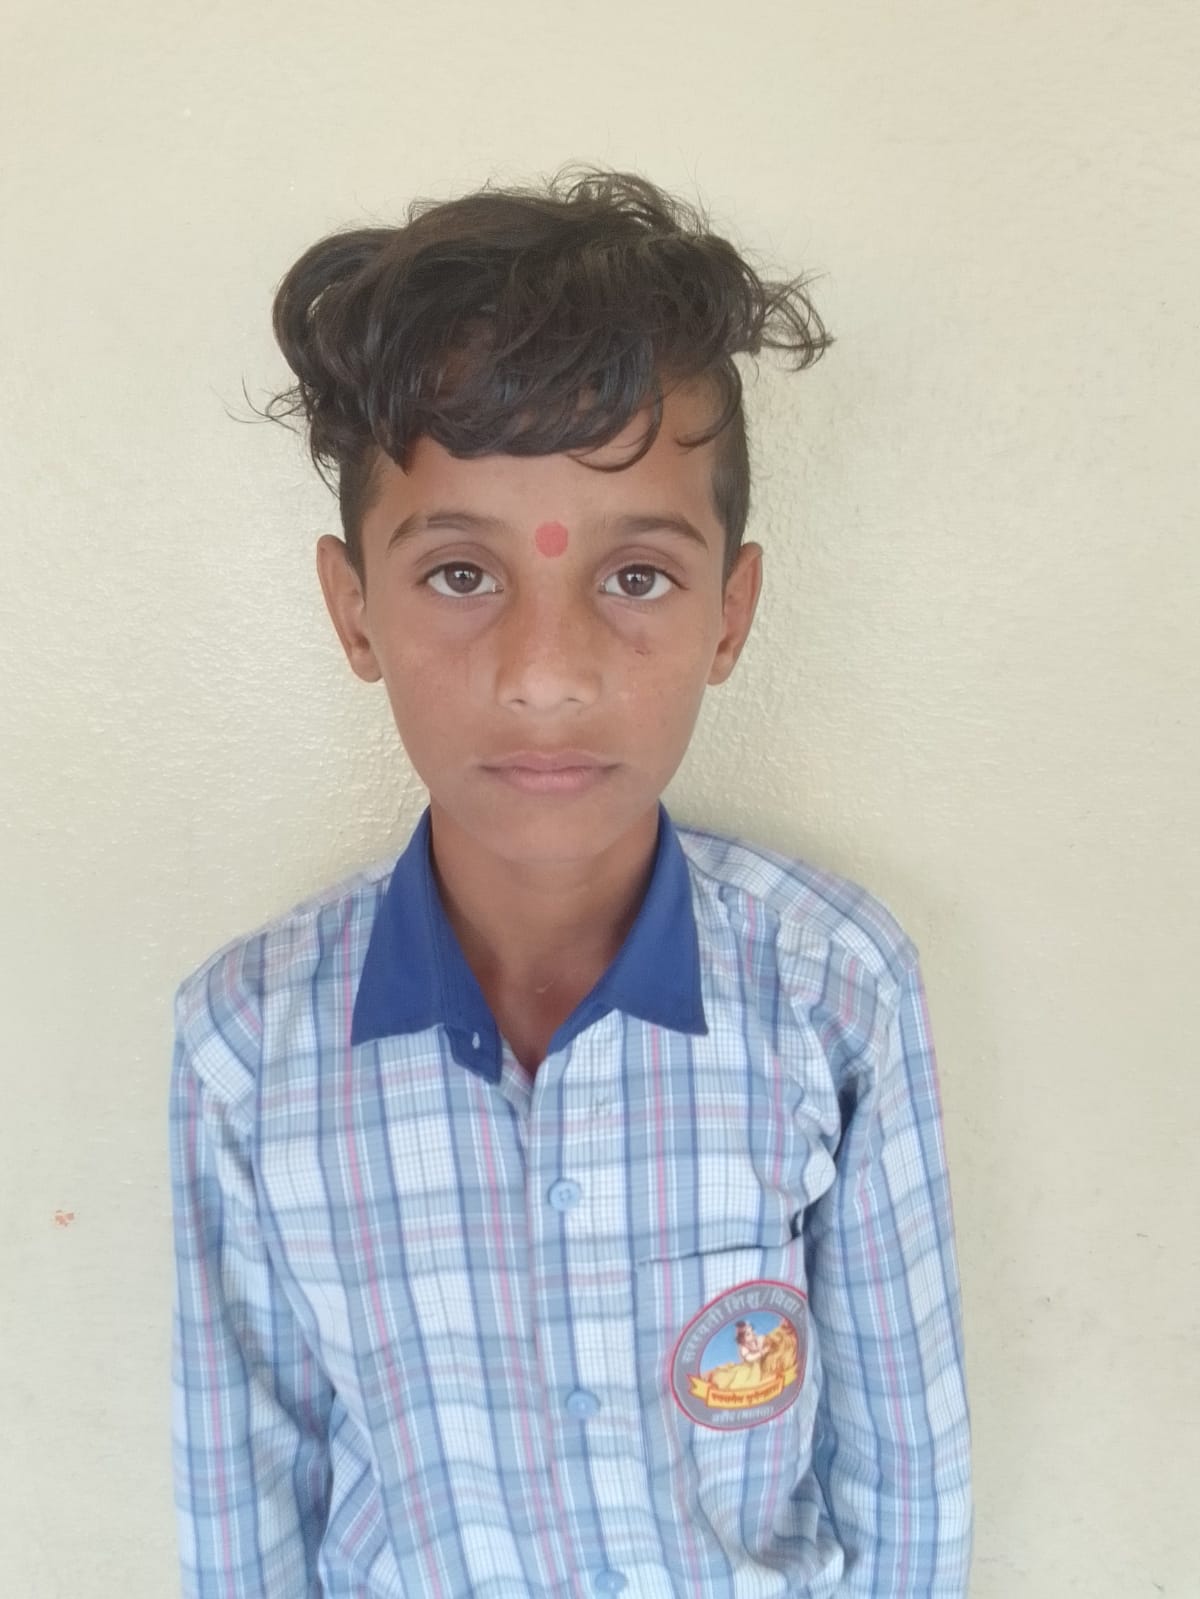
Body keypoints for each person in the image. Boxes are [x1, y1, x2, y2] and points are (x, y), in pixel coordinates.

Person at [169, 164, 972, 1598]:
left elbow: (905, 1480)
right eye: (460, 575)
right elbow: (246, 1505)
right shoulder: (245, 1044)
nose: (546, 677)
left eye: (638, 577)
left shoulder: (834, 990)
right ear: (354, 611)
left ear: (731, 613)